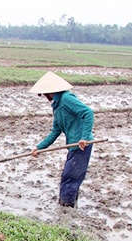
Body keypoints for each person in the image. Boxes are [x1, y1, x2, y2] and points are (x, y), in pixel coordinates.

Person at [30, 71, 95, 208]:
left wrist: (84, 138)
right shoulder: (57, 106)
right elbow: (55, 131)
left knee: (70, 177)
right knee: (68, 176)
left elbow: (87, 113)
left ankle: (66, 207)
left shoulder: (66, 99)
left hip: (82, 145)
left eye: (43, 93)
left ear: (49, 91)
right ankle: (68, 204)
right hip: (73, 146)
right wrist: (39, 147)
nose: (43, 96)